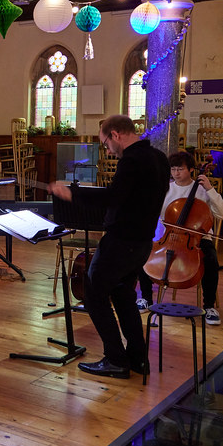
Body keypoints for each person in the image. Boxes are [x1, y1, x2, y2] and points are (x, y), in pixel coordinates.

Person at [47, 115, 168, 379]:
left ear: (115, 134)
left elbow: (114, 197)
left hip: (121, 241)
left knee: (93, 294)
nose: (108, 151)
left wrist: (73, 193)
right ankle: (137, 359)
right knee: (124, 296)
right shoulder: (159, 158)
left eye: (105, 144)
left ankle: (115, 358)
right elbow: (133, 197)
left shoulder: (132, 160)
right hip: (142, 243)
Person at [141, 151, 223, 326]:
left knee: (210, 258)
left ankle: (209, 306)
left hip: (197, 239)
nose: (175, 173)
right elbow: (151, 212)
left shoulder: (203, 190)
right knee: (142, 252)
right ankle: (146, 299)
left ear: (191, 169)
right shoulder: (166, 189)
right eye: (172, 169)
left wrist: (210, 189)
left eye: (180, 169)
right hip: (168, 237)